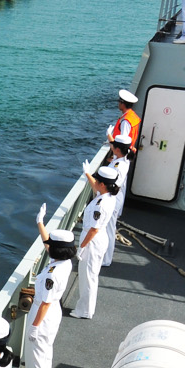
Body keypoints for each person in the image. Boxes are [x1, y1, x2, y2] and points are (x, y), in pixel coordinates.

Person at [17, 210, 77, 368]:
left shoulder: (53, 275)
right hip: (49, 313)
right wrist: (40, 224)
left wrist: (34, 326)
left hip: (43, 315)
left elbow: (45, 303)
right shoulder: (63, 261)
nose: (47, 245)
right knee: (42, 354)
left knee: (38, 357)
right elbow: (49, 245)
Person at [70, 164, 119, 320]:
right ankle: (86, 308)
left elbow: (93, 230)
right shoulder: (108, 196)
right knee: (90, 276)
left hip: (92, 242)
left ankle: (84, 311)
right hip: (97, 239)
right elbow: (96, 188)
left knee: (88, 278)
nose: (95, 182)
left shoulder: (101, 205)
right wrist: (87, 173)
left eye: (98, 180)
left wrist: (81, 247)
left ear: (103, 184)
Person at [102, 132, 134, 266]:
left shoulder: (118, 165)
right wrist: (110, 136)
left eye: (114, 146)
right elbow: (116, 149)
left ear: (118, 149)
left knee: (109, 230)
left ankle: (106, 259)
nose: (112, 147)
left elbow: (112, 184)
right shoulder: (123, 157)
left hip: (113, 200)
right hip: (115, 198)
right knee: (107, 228)